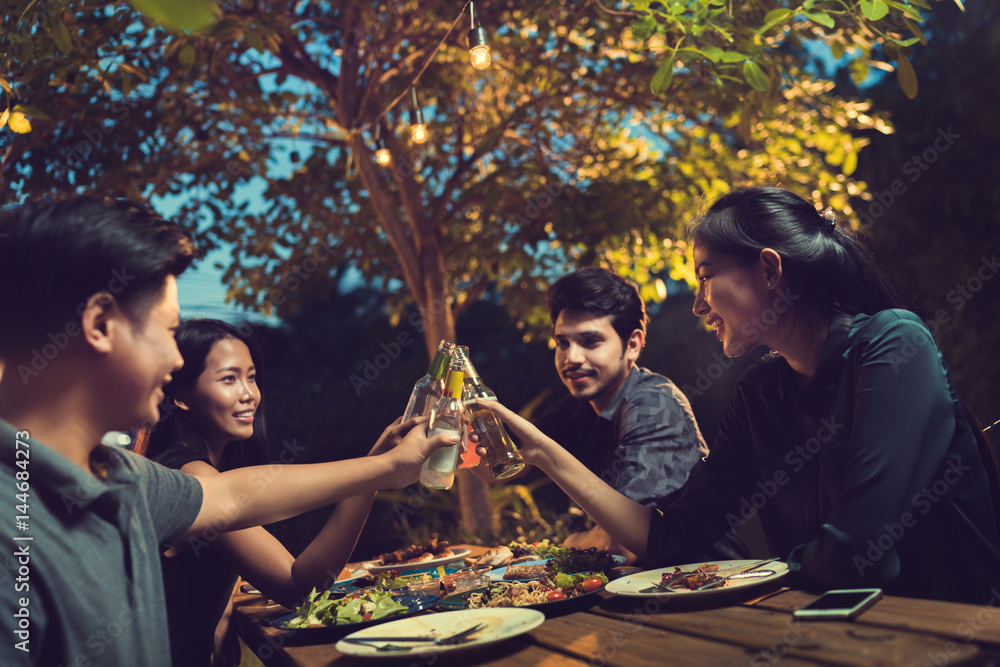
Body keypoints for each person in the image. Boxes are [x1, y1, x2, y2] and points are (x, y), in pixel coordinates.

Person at [480, 186, 1000, 604]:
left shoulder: (894, 343)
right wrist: (544, 454)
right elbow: (674, 540)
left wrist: (759, 573)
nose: (698, 305)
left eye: (706, 277)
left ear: (770, 271)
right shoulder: (760, 393)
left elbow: (855, 555)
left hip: (949, 633)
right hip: (833, 636)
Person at [0, 197, 455, 667]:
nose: (175, 360)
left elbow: (231, 495)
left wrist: (383, 468)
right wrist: (380, 471)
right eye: (166, 331)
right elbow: (289, 571)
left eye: (251, 376)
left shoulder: (122, 477)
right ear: (100, 324)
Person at [141, 318, 399, 666]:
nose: (249, 394)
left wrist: (374, 468)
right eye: (229, 379)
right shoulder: (191, 475)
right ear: (182, 397)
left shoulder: (187, 467)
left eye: (251, 377)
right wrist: (377, 472)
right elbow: (299, 586)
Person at [478, 267, 710, 562]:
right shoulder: (580, 408)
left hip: (710, 583)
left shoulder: (654, 403)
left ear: (633, 344)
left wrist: (570, 541)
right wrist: (464, 441)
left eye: (590, 341)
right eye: (563, 342)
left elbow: (621, 545)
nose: (571, 357)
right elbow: (505, 466)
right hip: (641, 586)